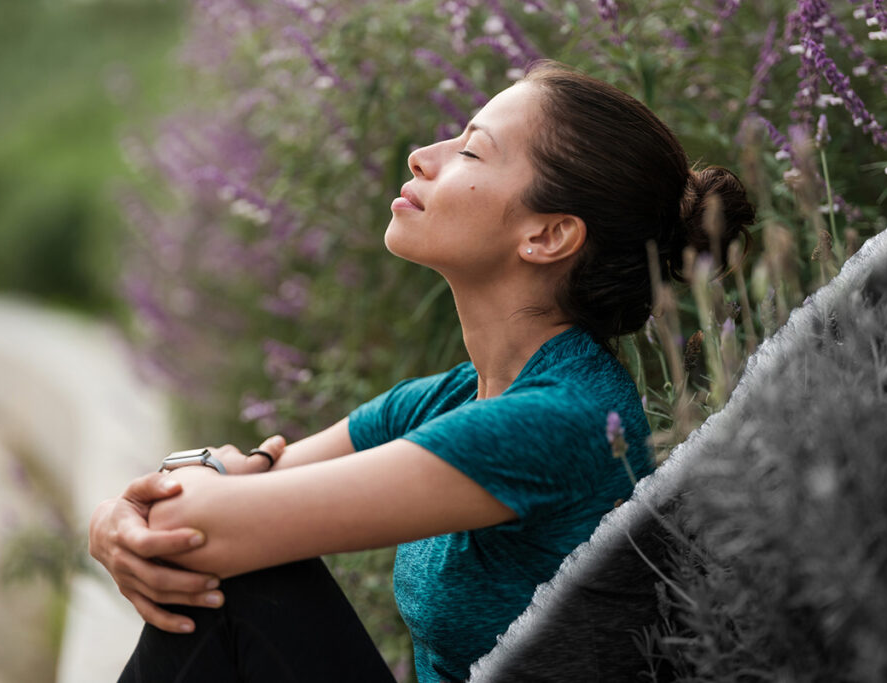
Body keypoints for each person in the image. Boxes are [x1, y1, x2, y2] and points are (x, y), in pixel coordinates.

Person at [89, 61, 755, 682]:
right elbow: (237, 489)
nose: (422, 156)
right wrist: (121, 514)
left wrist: (151, 507)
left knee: (243, 580)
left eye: (470, 150)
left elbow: (210, 520)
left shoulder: (558, 420)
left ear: (548, 235)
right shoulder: (453, 397)